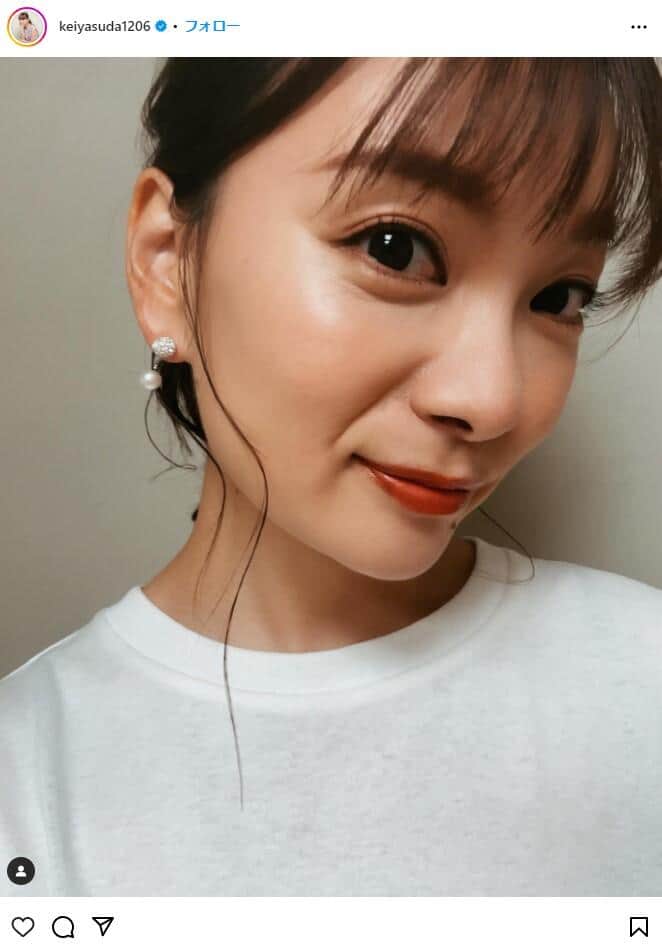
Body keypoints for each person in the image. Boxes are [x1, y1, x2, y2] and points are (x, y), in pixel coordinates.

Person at [1, 57, 661, 897]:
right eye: (396, 247)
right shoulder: (29, 784)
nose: (492, 399)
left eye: (560, 296)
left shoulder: (641, 679)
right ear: (168, 262)